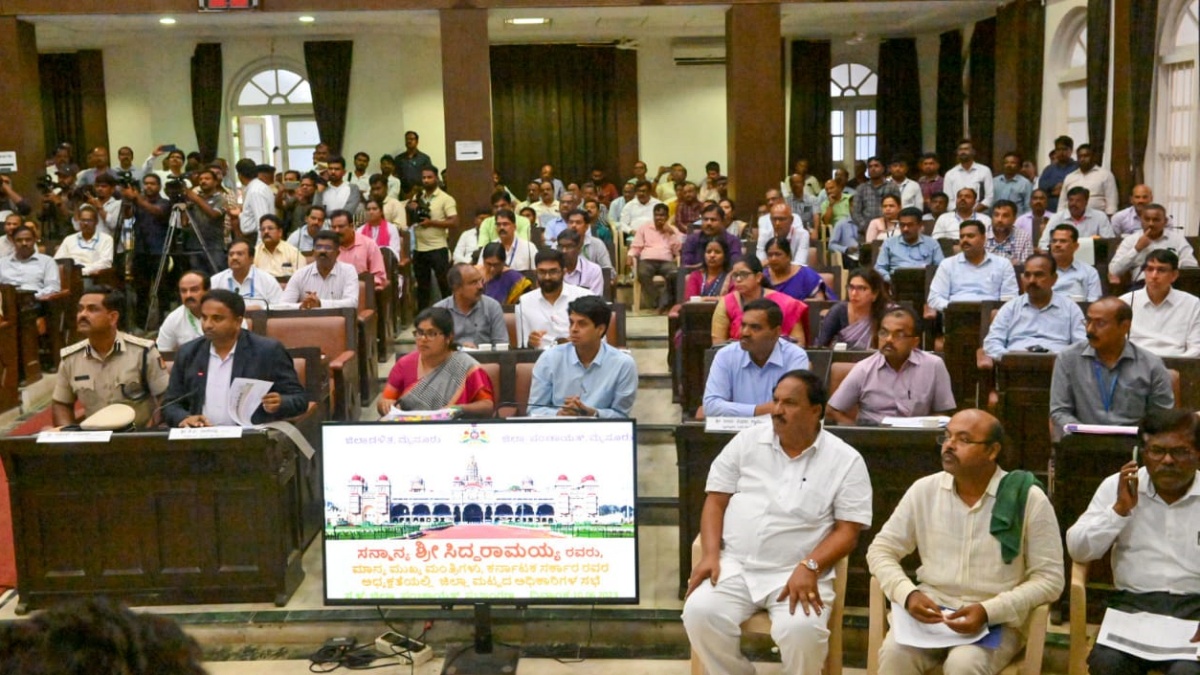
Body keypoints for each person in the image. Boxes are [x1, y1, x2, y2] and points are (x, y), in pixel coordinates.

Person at [684, 369, 873, 675]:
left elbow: (848, 532)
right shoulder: (747, 441)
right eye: (775, 401)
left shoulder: (846, 460)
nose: (777, 410)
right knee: (699, 612)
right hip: (736, 566)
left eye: (789, 403)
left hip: (798, 572)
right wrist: (709, 554)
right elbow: (715, 500)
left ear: (816, 411)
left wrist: (810, 566)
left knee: (802, 633)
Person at [867, 408, 1065, 674]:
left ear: (992, 451)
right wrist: (908, 593)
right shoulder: (925, 490)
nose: (949, 445)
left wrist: (988, 610)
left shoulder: (1027, 498)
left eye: (963, 440)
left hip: (995, 620)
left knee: (964, 664)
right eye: (947, 436)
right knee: (894, 656)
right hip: (932, 613)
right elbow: (880, 550)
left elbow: (1050, 579)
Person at [1065, 407, 1200, 675]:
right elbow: (1077, 549)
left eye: (1180, 452)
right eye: (1157, 451)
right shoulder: (1118, 486)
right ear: (1140, 454)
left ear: (1198, 454)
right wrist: (1118, 511)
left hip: (1195, 610)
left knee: (1187, 672)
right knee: (1109, 665)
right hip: (1132, 606)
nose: (1168, 461)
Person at [162, 290, 309, 427]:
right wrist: (184, 418)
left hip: (250, 441)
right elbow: (170, 404)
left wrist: (281, 403)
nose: (207, 325)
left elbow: (299, 400)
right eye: (204, 318)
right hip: (201, 440)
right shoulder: (188, 353)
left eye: (217, 319)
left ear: (238, 322)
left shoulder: (267, 351)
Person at [1050, 296, 1175, 437]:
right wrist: (1083, 436)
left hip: (1133, 445)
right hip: (1081, 444)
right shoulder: (1068, 359)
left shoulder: (1151, 364)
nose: (1090, 330)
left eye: (1100, 323)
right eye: (1088, 321)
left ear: (1124, 327)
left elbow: (1161, 416)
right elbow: (1059, 411)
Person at [52, 287, 169, 428]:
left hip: (137, 437)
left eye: (92, 309)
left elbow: (165, 398)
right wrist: (69, 438)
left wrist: (150, 433)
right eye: (80, 309)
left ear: (113, 317)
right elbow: (61, 403)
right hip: (94, 441)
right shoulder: (71, 358)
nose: (82, 315)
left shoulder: (142, 352)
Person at [827, 307, 956, 425]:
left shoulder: (934, 365)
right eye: (884, 333)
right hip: (874, 439)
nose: (888, 339)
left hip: (916, 440)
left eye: (899, 334)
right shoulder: (864, 368)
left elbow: (943, 413)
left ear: (914, 342)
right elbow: (832, 410)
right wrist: (857, 434)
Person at [528, 296, 637, 418]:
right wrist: (559, 414)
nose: (573, 329)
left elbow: (622, 416)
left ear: (600, 329)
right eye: (571, 323)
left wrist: (593, 413)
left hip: (602, 433)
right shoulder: (549, 358)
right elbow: (534, 410)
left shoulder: (623, 364)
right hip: (558, 432)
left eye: (582, 324)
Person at [702, 298, 811, 418]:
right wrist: (758, 410)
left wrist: (738, 411)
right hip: (734, 433)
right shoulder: (726, 355)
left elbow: (791, 407)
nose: (745, 333)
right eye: (743, 325)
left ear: (776, 332)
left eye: (755, 327)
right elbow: (710, 407)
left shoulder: (795, 357)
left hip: (779, 433)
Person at [378, 307, 495, 417]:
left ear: (449, 337)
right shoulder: (404, 364)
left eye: (431, 334)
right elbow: (385, 400)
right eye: (419, 333)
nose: (423, 339)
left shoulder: (466, 366)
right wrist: (385, 405)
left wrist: (456, 410)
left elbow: (487, 406)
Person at [983, 253, 1087, 358]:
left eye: (1039, 275)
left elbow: (1082, 343)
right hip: (1014, 368)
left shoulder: (1070, 308)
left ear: (1054, 279)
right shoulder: (1010, 307)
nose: (1031, 280)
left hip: (1058, 367)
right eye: (1027, 275)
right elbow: (991, 343)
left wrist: (1063, 360)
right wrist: (1009, 358)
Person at [925, 221, 1019, 319]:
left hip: (991, 318)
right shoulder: (948, 264)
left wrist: (994, 313)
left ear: (983, 239)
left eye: (970, 236)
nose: (965, 240)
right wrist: (955, 308)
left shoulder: (1002, 264)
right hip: (956, 318)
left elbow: (1010, 298)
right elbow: (934, 299)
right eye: (962, 237)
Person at [711, 256, 809, 346]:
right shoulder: (726, 303)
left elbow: (799, 343)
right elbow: (717, 344)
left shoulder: (786, 303)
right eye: (735, 275)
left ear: (758, 277)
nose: (738, 279)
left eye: (744, 274)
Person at [1119, 249, 1200, 358]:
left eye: (1161, 270)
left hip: (1176, 365)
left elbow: (1196, 348)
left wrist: (1177, 365)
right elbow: (1114, 342)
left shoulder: (1193, 304)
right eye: (1150, 269)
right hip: (1135, 365)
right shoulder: (1125, 302)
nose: (1154, 276)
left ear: (1174, 275)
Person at [517, 249, 592, 348]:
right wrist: (530, 343)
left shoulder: (584, 297)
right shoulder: (524, 302)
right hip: (539, 359)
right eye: (542, 272)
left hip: (578, 355)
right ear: (535, 272)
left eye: (553, 272)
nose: (547, 277)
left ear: (564, 272)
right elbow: (522, 347)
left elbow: (598, 340)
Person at [1108, 203, 1198, 285]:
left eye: (1156, 220)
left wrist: (1168, 269)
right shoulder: (1131, 240)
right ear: (1141, 220)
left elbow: (1191, 265)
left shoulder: (1177, 239)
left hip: (1172, 284)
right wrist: (1136, 249)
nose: (1151, 224)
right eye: (1147, 219)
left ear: (1165, 221)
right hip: (1142, 284)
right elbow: (1114, 270)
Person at [409, 166, 458, 308]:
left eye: (429, 177)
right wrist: (412, 209)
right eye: (424, 177)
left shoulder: (446, 199)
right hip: (419, 248)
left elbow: (454, 222)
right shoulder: (418, 198)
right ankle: (424, 319)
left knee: (444, 285)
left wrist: (431, 222)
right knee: (422, 287)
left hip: (438, 248)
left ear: (436, 178)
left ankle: (450, 314)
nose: (426, 180)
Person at [279, 231, 360, 310]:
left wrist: (320, 303)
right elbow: (282, 305)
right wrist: (303, 306)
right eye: (318, 247)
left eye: (328, 247)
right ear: (313, 252)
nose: (322, 251)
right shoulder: (300, 274)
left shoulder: (348, 271)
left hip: (337, 322)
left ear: (337, 253)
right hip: (308, 322)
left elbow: (352, 303)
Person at [433, 263, 507, 348]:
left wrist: (479, 351)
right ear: (457, 288)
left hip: (485, 360)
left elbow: (502, 346)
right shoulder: (439, 310)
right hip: (451, 359)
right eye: (474, 282)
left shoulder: (492, 307)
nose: (480, 286)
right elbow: (434, 348)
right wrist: (458, 348)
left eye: (481, 281)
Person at [815, 268, 891, 349]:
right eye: (851, 287)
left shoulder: (888, 313)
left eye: (861, 288)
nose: (854, 293)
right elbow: (820, 347)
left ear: (875, 293)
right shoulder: (839, 311)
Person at [629, 202, 682, 313]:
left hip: (666, 261)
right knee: (642, 273)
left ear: (667, 217)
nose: (659, 218)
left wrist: (671, 233)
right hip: (647, 260)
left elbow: (678, 251)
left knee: (674, 274)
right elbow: (636, 246)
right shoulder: (644, 228)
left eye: (662, 215)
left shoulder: (673, 230)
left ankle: (663, 304)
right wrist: (630, 255)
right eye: (656, 215)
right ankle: (659, 302)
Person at [875, 206, 945, 283]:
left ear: (920, 225)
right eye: (902, 225)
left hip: (925, 285)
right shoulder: (889, 243)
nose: (905, 229)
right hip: (896, 285)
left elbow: (941, 268)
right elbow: (879, 268)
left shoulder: (932, 243)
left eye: (910, 225)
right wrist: (891, 280)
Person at [210, 240, 283, 309]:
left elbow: (280, 307)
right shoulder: (216, 280)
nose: (234, 257)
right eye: (231, 254)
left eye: (240, 254)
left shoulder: (267, 280)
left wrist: (260, 308)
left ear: (251, 259)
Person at [1037, 186, 1116, 249]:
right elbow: (1043, 244)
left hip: (1093, 257)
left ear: (1086, 201)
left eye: (1078, 200)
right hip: (1063, 257)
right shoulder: (1057, 218)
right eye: (1071, 200)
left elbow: (1110, 242)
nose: (1073, 204)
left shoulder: (1099, 216)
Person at [330, 208, 387, 291]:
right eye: (333, 227)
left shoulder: (369, 244)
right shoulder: (329, 247)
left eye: (341, 226)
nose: (337, 231)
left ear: (352, 226)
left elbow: (379, 277)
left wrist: (355, 285)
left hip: (362, 293)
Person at [0, 224, 60, 298]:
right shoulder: (2, 263)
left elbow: (53, 287)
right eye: (19, 240)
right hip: (5, 302)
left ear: (35, 240)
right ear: (13, 241)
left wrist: (32, 297)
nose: (24, 243)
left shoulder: (47, 261)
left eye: (28, 240)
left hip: (35, 303)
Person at [54, 204, 114, 279]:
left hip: (92, 277)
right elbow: (58, 261)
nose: (85, 223)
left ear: (96, 222)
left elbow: (105, 263)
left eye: (89, 220)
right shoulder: (69, 239)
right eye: (83, 220)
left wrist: (83, 271)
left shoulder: (106, 239)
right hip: (69, 277)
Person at [156, 270, 211, 351]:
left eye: (194, 290)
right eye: (183, 291)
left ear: (208, 291)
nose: (188, 295)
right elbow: (162, 352)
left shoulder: (224, 312)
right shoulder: (174, 319)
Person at [764, 237, 830, 302]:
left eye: (778, 254)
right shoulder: (763, 276)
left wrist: (801, 304)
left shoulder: (805, 274)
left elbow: (820, 301)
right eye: (770, 255)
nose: (773, 259)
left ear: (789, 256)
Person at [1049, 224, 1104, 301]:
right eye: (1054, 241)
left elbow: (1094, 302)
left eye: (1063, 241)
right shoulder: (1042, 270)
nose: (1057, 245)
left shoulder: (1089, 272)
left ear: (1076, 246)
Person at [682, 203, 743, 271]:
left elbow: (735, 265)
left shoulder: (732, 241)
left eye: (713, 220)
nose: (709, 223)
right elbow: (686, 265)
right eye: (705, 219)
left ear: (722, 222)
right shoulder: (692, 239)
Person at [1061, 143, 1119, 216]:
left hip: (1098, 219)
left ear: (1094, 157)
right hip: (1072, 219)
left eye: (1086, 156)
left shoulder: (1105, 175)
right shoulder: (1070, 177)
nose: (1082, 159)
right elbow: (1062, 203)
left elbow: (1112, 202)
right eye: (1080, 156)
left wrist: (1110, 218)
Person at [943, 139, 995, 210]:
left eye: (966, 149)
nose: (963, 152)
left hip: (979, 214)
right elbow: (948, 199)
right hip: (955, 215)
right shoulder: (950, 174)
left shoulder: (984, 171)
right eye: (960, 149)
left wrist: (972, 212)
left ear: (973, 152)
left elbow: (989, 197)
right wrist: (960, 213)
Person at [232, 158, 274, 247]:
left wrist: (260, 248)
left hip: (256, 239)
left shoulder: (255, 191)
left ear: (240, 175)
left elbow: (262, 221)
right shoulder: (258, 187)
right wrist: (240, 214)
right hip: (253, 237)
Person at [757, 200, 810, 265]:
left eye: (781, 219)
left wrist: (774, 262)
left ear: (791, 220)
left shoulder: (802, 235)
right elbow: (760, 264)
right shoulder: (765, 235)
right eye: (774, 219)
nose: (777, 223)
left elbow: (800, 264)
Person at [985, 199, 1034, 265]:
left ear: (1014, 219)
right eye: (996, 215)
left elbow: (1027, 266)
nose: (1000, 220)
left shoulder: (1024, 237)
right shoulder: (982, 234)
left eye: (1005, 216)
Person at [1038, 135, 1078, 212]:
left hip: (1071, 210)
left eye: (1064, 149)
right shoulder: (1048, 169)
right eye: (1058, 149)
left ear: (1071, 150)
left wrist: (1063, 189)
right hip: (1051, 210)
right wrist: (1053, 189)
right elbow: (1042, 188)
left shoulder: (1077, 167)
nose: (1061, 152)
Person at [559, 229, 604, 297]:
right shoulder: (551, 271)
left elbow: (595, 301)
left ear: (579, 249)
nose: (564, 251)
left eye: (569, 247)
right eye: (561, 247)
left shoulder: (593, 270)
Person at [491, 207, 538, 272]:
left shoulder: (528, 247)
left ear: (514, 227)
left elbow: (536, 272)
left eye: (505, 224)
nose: (501, 228)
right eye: (498, 224)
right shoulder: (490, 247)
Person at [394, 131, 434, 195]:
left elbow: (429, 176)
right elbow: (395, 176)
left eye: (412, 139)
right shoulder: (399, 158)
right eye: (407, 139)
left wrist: (419, 189)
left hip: (421, 193)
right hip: (403, 194)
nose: (409, 141)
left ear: (417, 142)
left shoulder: (424, 158)